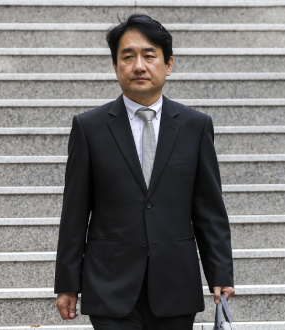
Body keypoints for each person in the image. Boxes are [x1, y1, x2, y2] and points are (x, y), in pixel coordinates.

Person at [54, 14, 234, 329]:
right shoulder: (89, 128)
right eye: (128, 56)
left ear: (168, 64)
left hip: (176, 284)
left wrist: (220, 272)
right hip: (110, 284)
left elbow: (209, 208)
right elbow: (74, 212)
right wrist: (67, 282)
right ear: (115, 66)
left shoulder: (195, 126)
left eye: (149, 56)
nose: (139, 65)